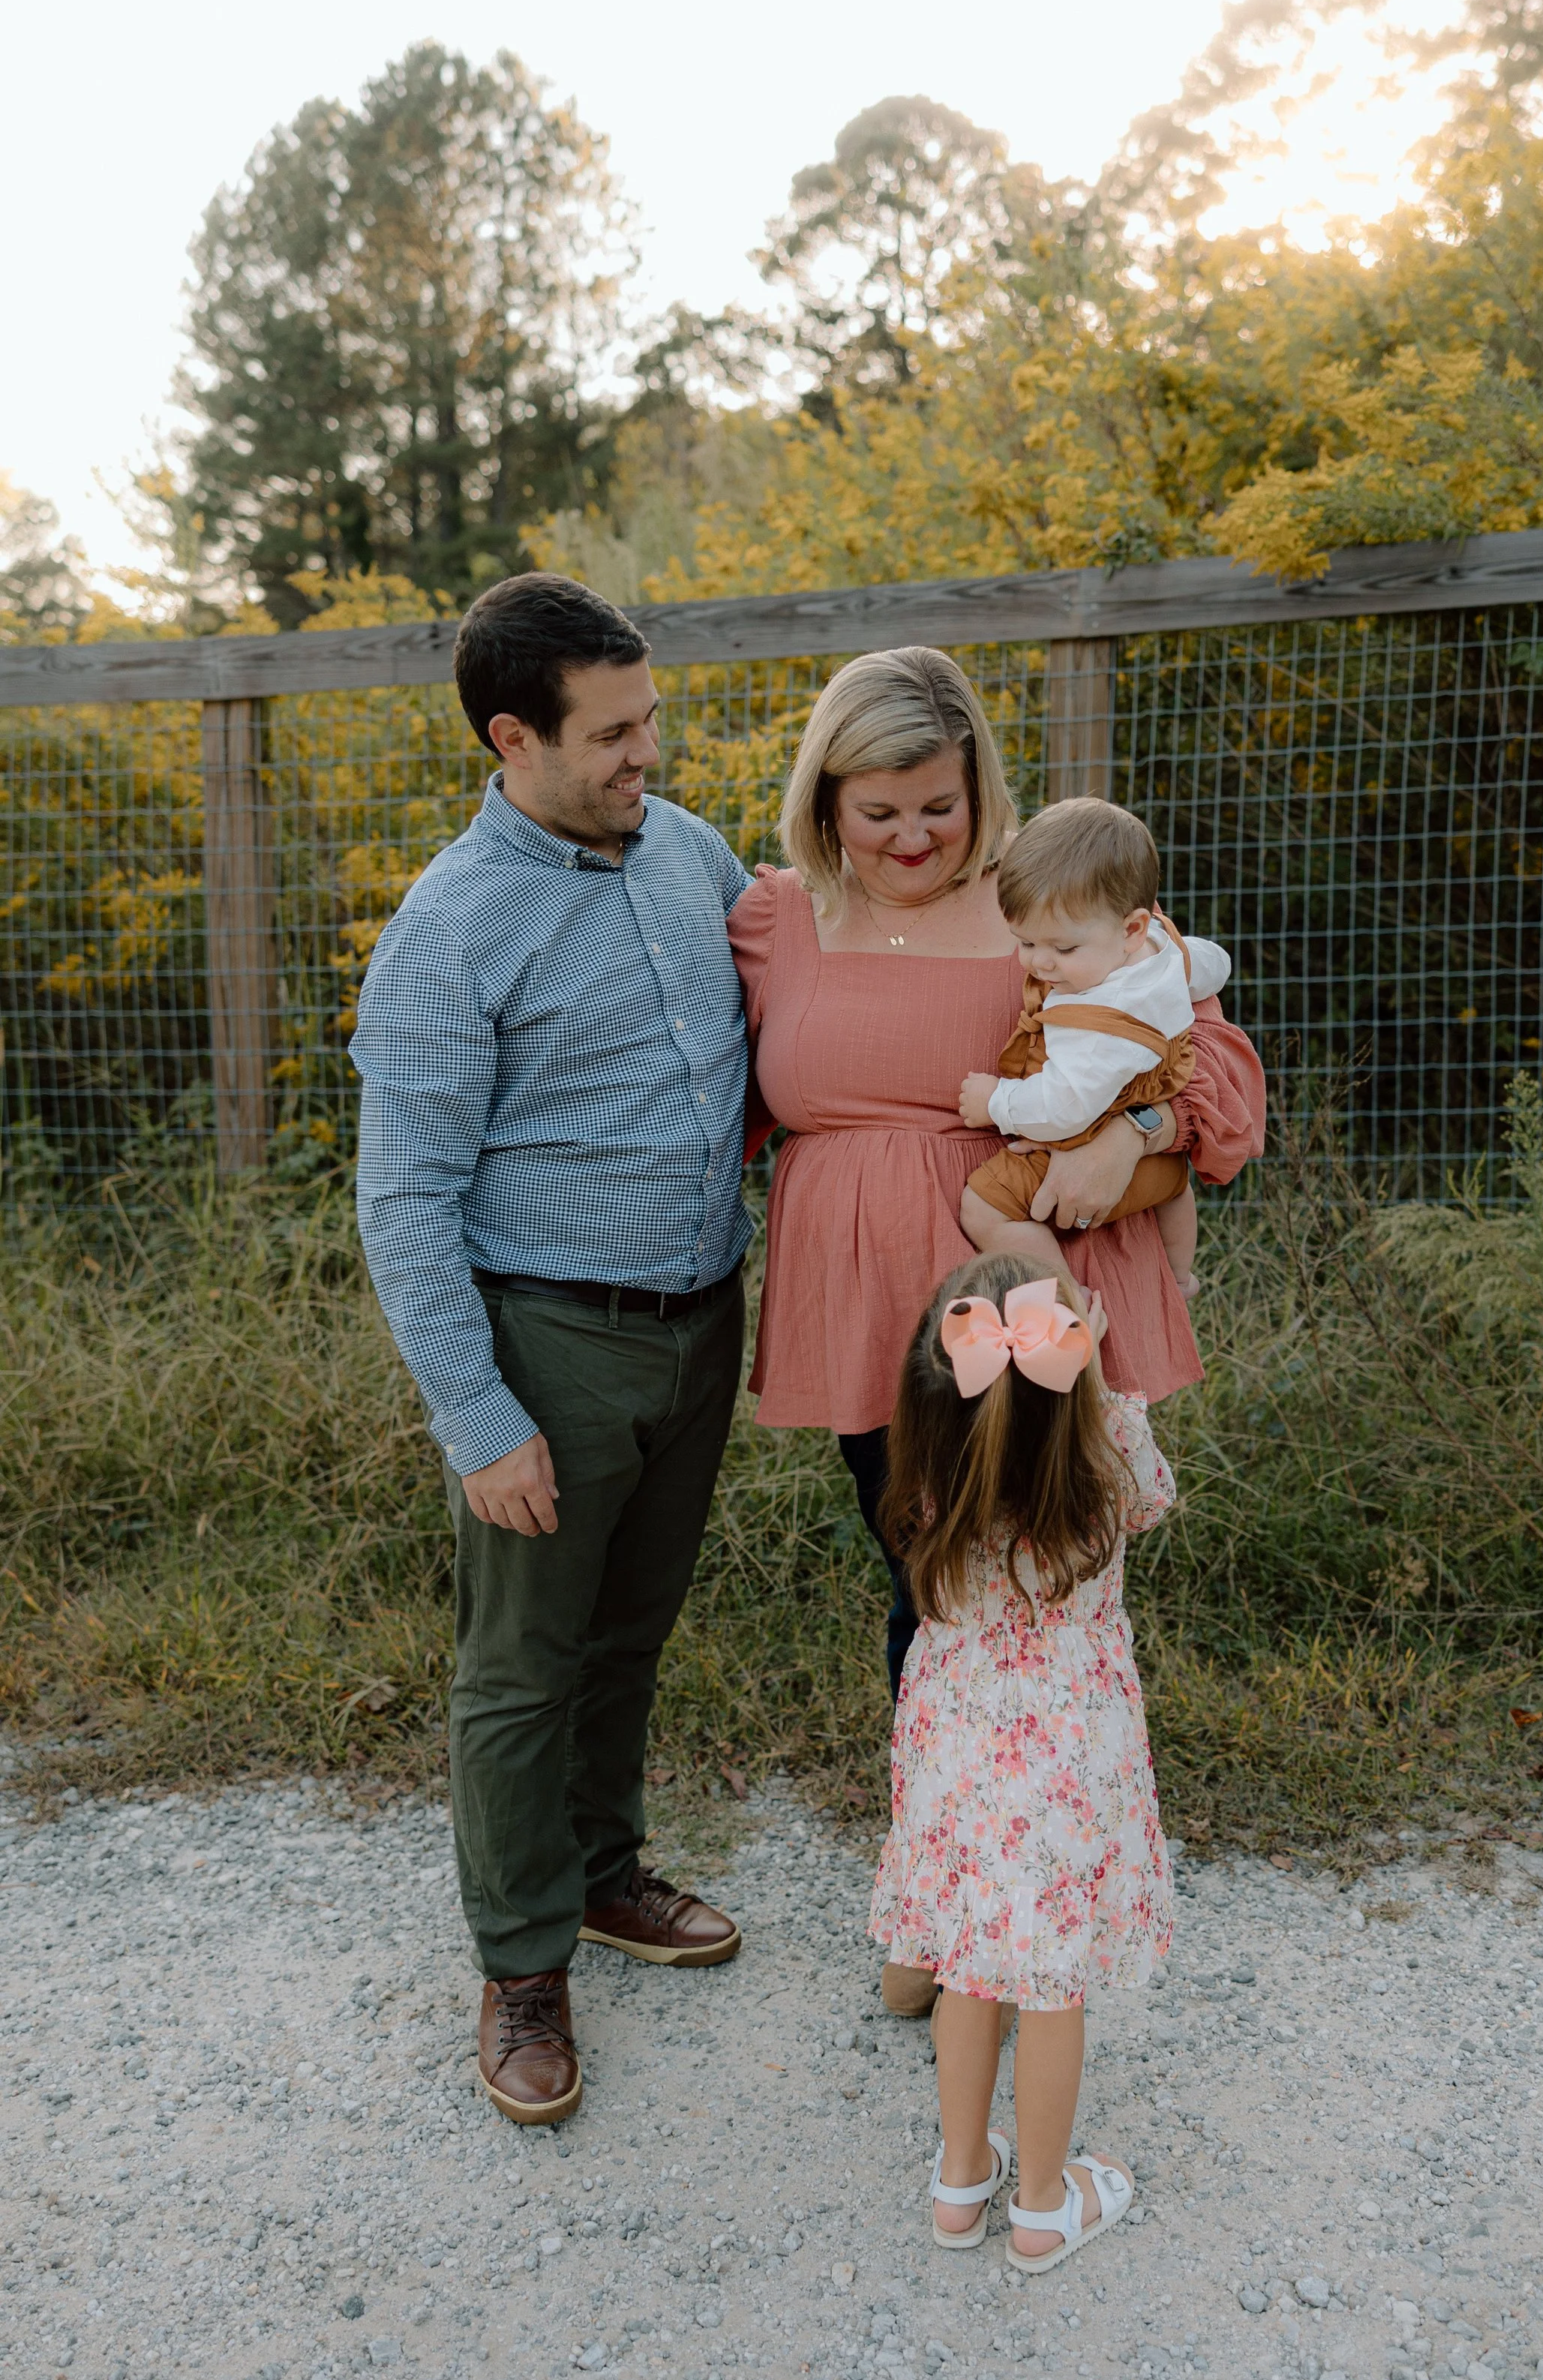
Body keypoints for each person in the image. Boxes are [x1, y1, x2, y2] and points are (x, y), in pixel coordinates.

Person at [726, 645, 1262, 2021]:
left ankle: (998, 1901)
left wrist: (1140, 1130)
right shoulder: (776, 916)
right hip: (865, 1317)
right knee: (923, 1585)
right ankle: (945, 1887)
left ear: (980, 790)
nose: (911, 838)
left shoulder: (1049, 898)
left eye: (938, 806)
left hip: (1021, 1292)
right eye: (877, 808)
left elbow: (1212, 1064)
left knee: (1018, 1595)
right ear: (825, 797)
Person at [352, 572, 747, 2130]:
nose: (648, 752)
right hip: (548, 1344)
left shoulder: (690, 855)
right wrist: (477, 1414)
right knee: (520, 1672)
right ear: (512, 738)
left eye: (651, 718)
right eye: (615, 733)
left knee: (629, 1633)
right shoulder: (450, 933)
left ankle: (600, 1876)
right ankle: (520, 1963)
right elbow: (402, 1200)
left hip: (702, 1320)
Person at [869, 1251, 1172, 2271]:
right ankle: (1040, 2202)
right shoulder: (1113, 1441)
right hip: (1070, 1753)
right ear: (1072, 1369)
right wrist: (1096, 1373)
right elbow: (1143, 1493)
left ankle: (962, 2178)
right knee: (1051, 1979)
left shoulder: (926, 1467)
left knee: (971, 1959)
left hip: (958, 1744)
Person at [957, 795, 1232, 1299]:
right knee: (1175, 1187)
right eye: (1026, 942)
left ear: (1131, 928)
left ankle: (1065, 1295)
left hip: (1088, 1135)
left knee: (983, 1208)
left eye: (1062, 948)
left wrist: (996, 1100)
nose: (1040, 963)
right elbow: (1212, 963)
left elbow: (1064, 1108)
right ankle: (1178, 1276)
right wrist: (1185, 963)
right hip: (1162, 1155)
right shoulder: (1159, 949)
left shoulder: (1095, 1024)